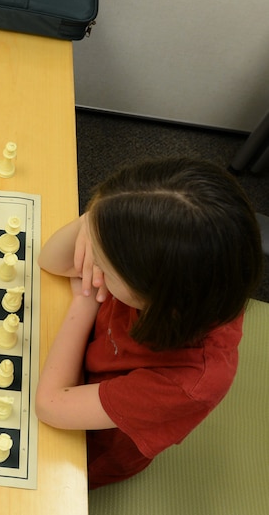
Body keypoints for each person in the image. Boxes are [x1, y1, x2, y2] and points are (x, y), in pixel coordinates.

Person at [35, 158, 263, 489]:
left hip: (92, 442)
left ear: (153, 295)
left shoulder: (187, 383)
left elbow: (49, 406)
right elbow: (52, 260)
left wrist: (84, 302)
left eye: (102, 265)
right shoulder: (200, 280)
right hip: (81, 363)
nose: (92, 262)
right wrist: (98, 218)